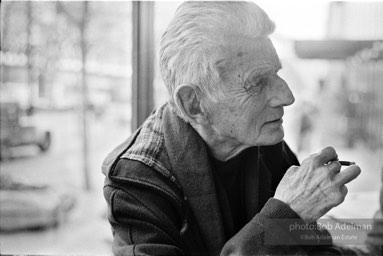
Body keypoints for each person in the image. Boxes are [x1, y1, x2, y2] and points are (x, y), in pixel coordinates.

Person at [102, 2, 362, 255]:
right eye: (258, 82)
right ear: (194, 103)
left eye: (276, 73)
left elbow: (310, 244)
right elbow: (290, 228)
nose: (287, 96)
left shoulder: (262, 140)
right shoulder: (136, 181)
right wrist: (287, 213)